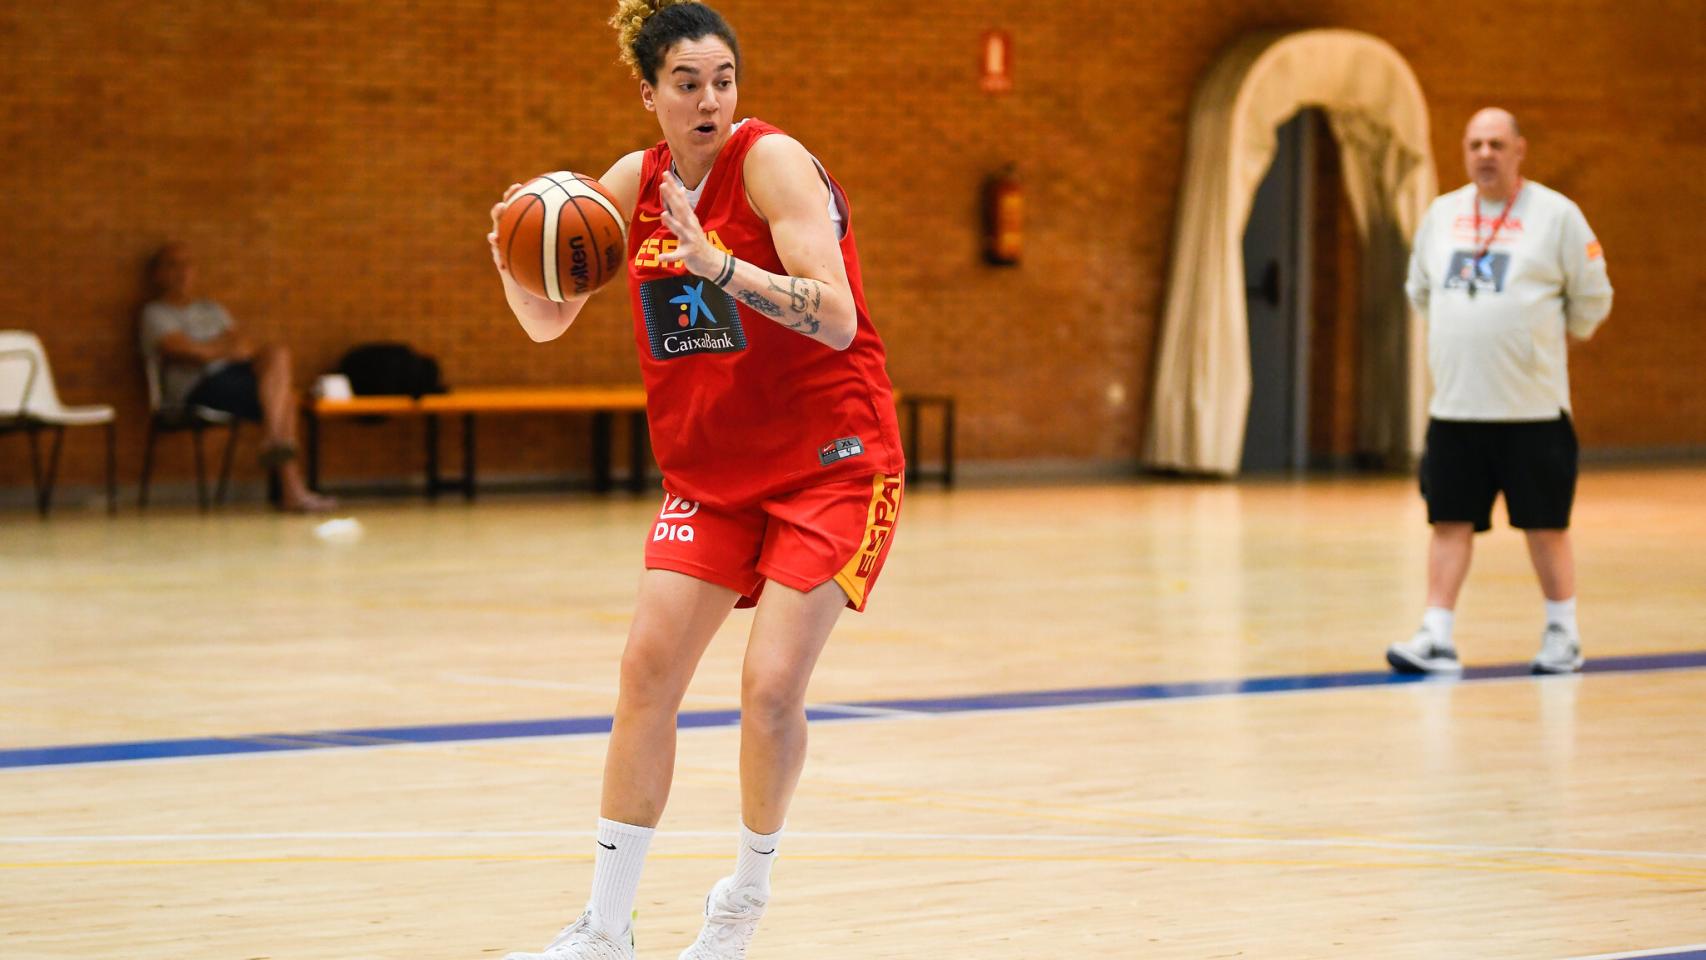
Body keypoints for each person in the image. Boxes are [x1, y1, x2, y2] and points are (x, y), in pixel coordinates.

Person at [485, 3, 904, 958]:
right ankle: (604, 926)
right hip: (714, 475)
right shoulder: (629, 187)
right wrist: (513, 246)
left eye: (722, 79)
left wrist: (721, 267)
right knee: (646, 673)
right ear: (651, 93)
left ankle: (740, 905)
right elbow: (547, 321)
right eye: (687, 83)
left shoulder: (773, 165)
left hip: (831, 462)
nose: (709, 98)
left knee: (767, 691)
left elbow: (837, 318)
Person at [1386, 108, 1612, 677]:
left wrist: (1547, 338)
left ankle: (1563, 635)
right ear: (1464, 152)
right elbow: (1419, 292)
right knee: (1449, 521)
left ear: (1519, 151)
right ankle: (1435, 637)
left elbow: (1592, 296)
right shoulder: (1442, 216)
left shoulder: (1557, 216)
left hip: (1531, 411)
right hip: (1457, 409)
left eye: (1496, 144)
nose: (1485, 153)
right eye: (1474, 144)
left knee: (1545, 524)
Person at [140, 242, 335, 513]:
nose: (181, 272)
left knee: (277, 355)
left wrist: (209, 350)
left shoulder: (212, 309)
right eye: (172, 265)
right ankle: (292, 488)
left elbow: (244, 347)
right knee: (285, 400)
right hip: (197, 388)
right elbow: (180, 349)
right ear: (157, 274)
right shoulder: (155, 313)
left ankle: (274, 442)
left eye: (187, 265)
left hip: (232, 379)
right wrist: (218, 349)